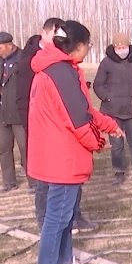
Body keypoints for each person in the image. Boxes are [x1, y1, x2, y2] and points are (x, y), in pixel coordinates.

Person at [27, 20, 123, 264]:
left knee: (65, 215)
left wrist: (109, 125)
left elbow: (85, 109)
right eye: (88, 44)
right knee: (56, 217)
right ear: (78, 46)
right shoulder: (60, 72)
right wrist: (98, 143)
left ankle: (65, 262)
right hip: (60, 157)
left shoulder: (61, 69)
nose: (88, 49)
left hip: (59, 154)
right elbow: (78, 120)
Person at [15, 18, 99, 232]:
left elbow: (78, 107)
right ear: (45, 33)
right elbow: (25, 97)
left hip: (64, 131)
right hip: (44, 130)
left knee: (71, 178)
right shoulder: (37, 61)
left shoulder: (65, 65)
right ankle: (45, 223)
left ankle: (74, 217)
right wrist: (96, 141)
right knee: (46, 184)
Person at [94, 32, 132, 187]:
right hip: (112, 112)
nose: (121, 50)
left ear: (129, 46)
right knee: (116, 145)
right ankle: (119, 172)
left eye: (124, 47)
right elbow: (98, 85)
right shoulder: (106, 63)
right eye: (118, 47)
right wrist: (108, 97)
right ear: (114, 48)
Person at [0, 31, 29, 192]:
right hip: (1, 113)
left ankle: (34, 182)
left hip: (19, 113)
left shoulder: (25, 60)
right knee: (4, 149)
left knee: (26, 148)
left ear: (10, 45)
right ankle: (9, 182)